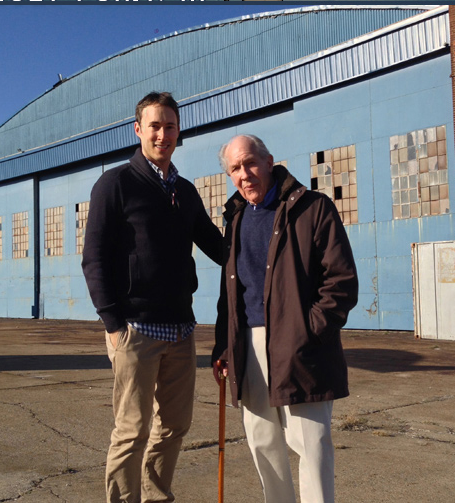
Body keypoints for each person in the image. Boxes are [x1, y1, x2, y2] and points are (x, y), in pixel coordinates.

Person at [82, 91, 223, 503]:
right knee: (132, 430)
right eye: (155, 126)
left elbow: (219, 247)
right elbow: (94, 258)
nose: (163, 134)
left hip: (180, 330)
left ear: (179, 131)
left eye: (170, 126)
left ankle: (156, 496)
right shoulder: (116, 184)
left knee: (175, 426)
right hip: (135, 330)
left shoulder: (186, 192)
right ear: (138, 130)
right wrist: (113, 324)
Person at [212, 134, 358, 503]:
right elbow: (230, 294)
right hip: (249, 348)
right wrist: (224, 347)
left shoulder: (313, 208)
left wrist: (309, 330)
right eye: (235, 168)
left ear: (269, 161)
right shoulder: (235, 219)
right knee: (263, 445)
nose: (244, 174)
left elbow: (341, 281)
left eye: (250, 163)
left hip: (301, 346)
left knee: (312, 445)